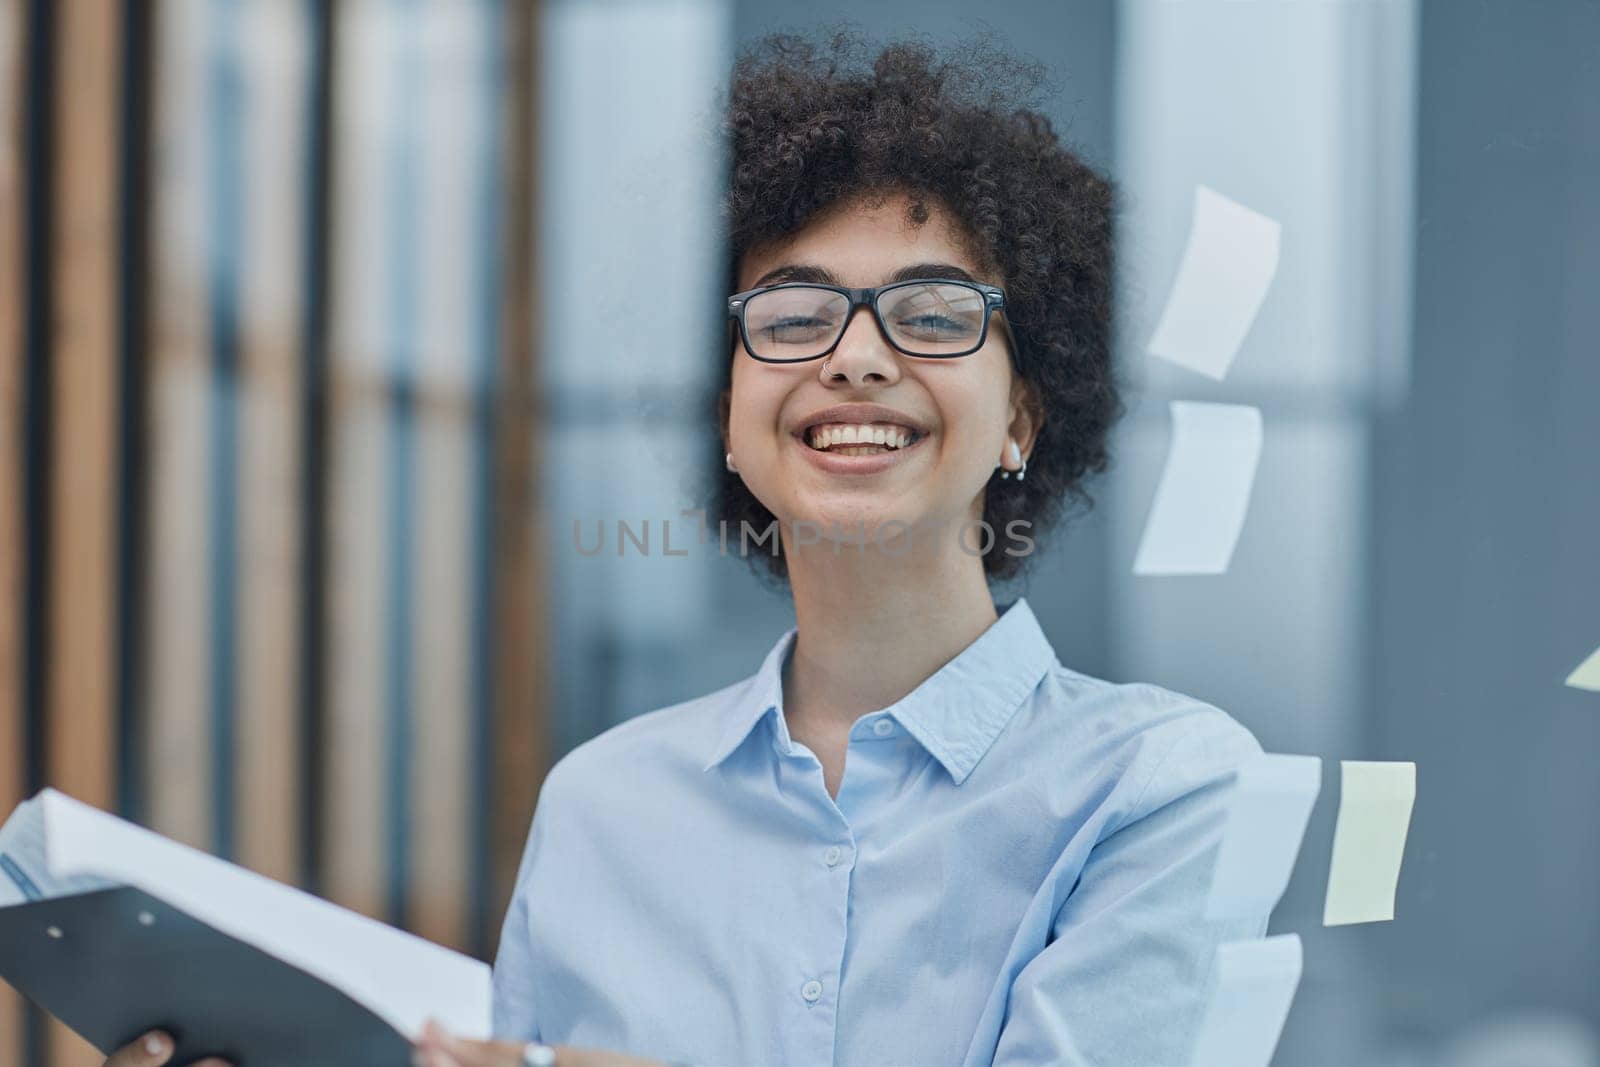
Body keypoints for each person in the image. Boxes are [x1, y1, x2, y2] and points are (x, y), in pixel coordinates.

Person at [102, 28, 1267, 1067]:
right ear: (726, 412)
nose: (855, 357)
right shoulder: (602, 804)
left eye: (931, 311)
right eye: (793, 313)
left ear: (1022, 412)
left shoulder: (1159, 788)